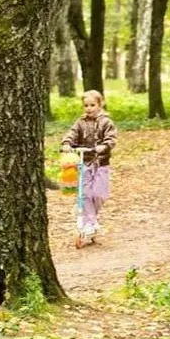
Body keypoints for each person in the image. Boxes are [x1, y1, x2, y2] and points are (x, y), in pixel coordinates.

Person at [61, 90, 117, 237]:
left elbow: (111, 139)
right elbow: (71, 134)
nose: (89, 108)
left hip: (100, 162)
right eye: (86, 105)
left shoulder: (106, 122)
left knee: (99, 194)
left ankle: (91, 221)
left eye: (92, 105)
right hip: (84, 162)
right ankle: (89, 224)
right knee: (84, 194)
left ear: (100, 104)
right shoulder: (80, 123)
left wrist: (104, 146)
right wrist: (67, 143)